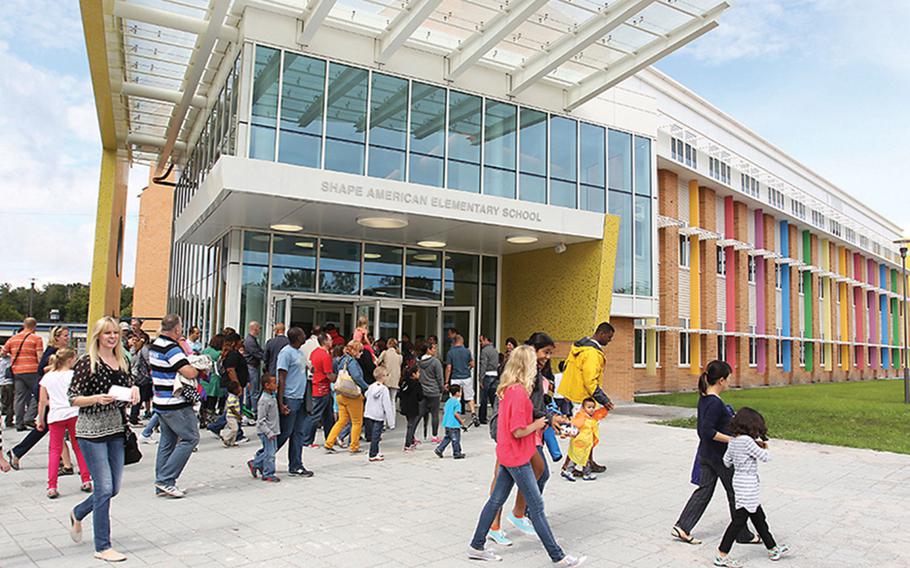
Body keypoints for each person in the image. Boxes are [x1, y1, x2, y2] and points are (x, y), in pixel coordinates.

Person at [467, 345, 585, 566]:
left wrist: (546, 421)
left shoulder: (508, 389)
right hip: (518, 456)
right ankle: (558, 556)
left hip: (507, 453)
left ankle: (476, 546)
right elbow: (518, 430)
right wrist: (539, 424)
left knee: (495, 500)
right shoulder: (520, 393)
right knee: (537, 507)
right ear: (526, 365)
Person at [68, 316, 140, 563]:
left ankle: (78, 512)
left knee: (114, 488)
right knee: (104, 488)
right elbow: (72, 397)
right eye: (107, 333)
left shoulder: (123, 360)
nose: (112, 337)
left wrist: (134, 393)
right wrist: (97, 398)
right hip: (91, 432)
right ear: (98, 335)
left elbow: (130, 386)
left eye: (115, 333)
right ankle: (103, 545)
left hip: (117, 430)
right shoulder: (87, 363)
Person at [672, 360, 757, 546]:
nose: (729, 382)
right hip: (719, 457)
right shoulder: (714, 403)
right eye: (728, 379)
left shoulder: (705, 399)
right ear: (720, 380)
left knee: (704, 491)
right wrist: (733, 440)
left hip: (706, 455)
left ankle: (683, 526)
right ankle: (743, 534)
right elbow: (706, 431)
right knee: (735, 492)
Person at [715, 408, 790, 567]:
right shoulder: (748, 442)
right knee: (738, 521)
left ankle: (772, 548)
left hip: (739, 481)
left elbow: (726, 461)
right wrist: (764, 445)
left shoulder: (734, 440)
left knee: (759, 517)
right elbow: (766, 457)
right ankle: (722, 554)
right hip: (748, 484)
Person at [7, 325, 76, 471]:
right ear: (56, 337)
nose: (67, 338)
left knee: (52, 426)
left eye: (67, 335)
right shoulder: (53, 351)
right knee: (46, 426)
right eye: (65, 335)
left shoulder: (59, 351)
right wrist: (60, 366)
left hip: (52, 392)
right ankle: (18, 452)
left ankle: (63, 461)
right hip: (47, 392)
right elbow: (41, 369)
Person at [149, 314, 200, 499]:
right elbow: (189, 371)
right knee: (191, 438)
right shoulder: (171, 347)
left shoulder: (156, 344)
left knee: (167, 442)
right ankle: (166, 480)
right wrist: (197, 367)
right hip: (175, 402)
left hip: (161, 400)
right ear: (177, 329)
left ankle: (161, 482)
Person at [558, 322, 616, 474]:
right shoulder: (591, 353)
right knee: (582, 433)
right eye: (609, 337)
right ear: (602, 333)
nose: (609, 341)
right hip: (584, 398)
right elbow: (590, 380)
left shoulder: (581, 348)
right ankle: (569, 466)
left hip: (577, 395)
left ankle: (587, 462)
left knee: (585, 431)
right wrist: (604, 400)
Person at [37, 348, 92, 498]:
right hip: (74, 413)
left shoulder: (48, 377)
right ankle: (86, 479)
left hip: (56, 415)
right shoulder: (73, 375)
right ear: (70, 360)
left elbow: (42, 401)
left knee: (55, 450)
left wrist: (40, 419)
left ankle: (52, 486)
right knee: (79, 447)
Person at [275, 327, 313, 477]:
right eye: (303, 334)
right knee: (285, 432)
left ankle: (296, 464)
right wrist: (281, 401)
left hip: (301, 397)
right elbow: (281, 378)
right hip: (290, 397)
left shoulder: (300, 353)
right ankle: (260, 459)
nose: (305, 336)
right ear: (297, 337)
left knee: (298, 433)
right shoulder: (286, 353)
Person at [324, 340, 368, 454]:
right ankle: (354, 446)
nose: (361, 353)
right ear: (355, 350)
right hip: (352, 395)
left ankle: (329, 442)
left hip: (340, 394)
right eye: (360, 351)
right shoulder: (352, 362)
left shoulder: (341, 360)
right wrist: (366, 387)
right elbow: (356, 376)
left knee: (342, 420)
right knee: (357, 422)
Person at [2, 317, 44, 430]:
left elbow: (3, 352)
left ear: (24, 325)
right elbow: (40, 357)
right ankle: (29, 417)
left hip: (17, 371)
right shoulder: (37, 339)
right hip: (33, 371)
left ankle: (19, 423)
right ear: (35, 326)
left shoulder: (13, 339)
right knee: (38, 394)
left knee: (19, 397)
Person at [561, 397, 608, 482]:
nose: (591, 409)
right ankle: (569, 470)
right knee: (576, 458)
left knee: (585, 459)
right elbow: (573, 427)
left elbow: (600, 414)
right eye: (589, 407)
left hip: (586, 442)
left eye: (593, 407)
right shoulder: (581, 418)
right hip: (580, 442)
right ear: (583, 408)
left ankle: (586, 473)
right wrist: (566, 433)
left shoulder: (591, 417)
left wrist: (606, 409)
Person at [302, 333, 336, 448]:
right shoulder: (325, 356)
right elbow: (328, 374)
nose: (332, 342)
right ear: (325, 341)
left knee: (328, 415)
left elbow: (311, 367)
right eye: (330, 339)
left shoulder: (315, 352)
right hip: (323, 387)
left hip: (317, 385)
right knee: (315, 415)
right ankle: (306, 439)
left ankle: (330, 437)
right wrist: (338, 379)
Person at [248, 373, 281, 482]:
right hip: (267, 431)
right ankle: (268, 473)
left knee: (271, 450)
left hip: (273, 429)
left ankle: (255, 463)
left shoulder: (272, 396)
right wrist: (269, 432)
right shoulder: (264, 401)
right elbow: (261, 420)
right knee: (270, 454)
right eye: (274, 383)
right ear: (267, 385)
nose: (276, 385)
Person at [363, 367, 395, 462]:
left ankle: (375, 451)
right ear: (383, 376)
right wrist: (391, 422)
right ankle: (373, 454)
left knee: (372, 434)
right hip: (378, 415)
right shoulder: (384, 390)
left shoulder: (371, 387)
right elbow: (387, 406)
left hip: (369, 414)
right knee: (376, 436)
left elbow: (366, 395)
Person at [445, 334, 477, 425]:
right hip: (466, 376)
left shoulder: (450, 352)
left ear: (454, 342)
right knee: (469, 396)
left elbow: (449, 367)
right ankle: (473, 413)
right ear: (461, 341)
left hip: (455, 377)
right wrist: (467, 368)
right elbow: (472, 364)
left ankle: (455, 415)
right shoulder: (467, 351)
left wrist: (446, 381)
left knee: (455, 398)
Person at [417, 342, 445, 442]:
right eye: (433, 349)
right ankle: (434, 436)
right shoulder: (435, 362)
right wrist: (441, 388)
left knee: (419, 413)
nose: (435, 350)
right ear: (428, 350)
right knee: (434, 414)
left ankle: (412, 434)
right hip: (434, 391)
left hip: (423, 390)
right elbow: (439, 377)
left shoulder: (419, 362)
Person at [434, 384, 466, 459]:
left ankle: (439, 449)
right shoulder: (457, 403)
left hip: (447, 423)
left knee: (447, 437)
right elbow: (456, 414)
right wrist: (461, 422)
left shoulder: (448, 401)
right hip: (453, 424)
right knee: (455, 439)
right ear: (457, 393)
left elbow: (444, 411)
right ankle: (457, 453)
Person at [128, 332, 152, 425]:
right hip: (143, 376)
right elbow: (148, 362)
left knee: (136, 398)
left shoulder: (133, 350)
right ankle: (134, 417)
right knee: (140, 397)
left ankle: (133, 416)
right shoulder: (144, 349)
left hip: (135, 375)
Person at [399, 365, 423, 451]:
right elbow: (420, 396)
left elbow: (400, 394)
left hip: (404, 406)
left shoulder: (403, 382)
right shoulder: (416, 384)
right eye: (418, 372)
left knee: (410, 423)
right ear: (413, 374)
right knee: (411, 426)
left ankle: (412, 441)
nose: (419, 374)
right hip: (413, 406)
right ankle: (408, 444)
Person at [243, 322, 265, 416]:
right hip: (251, 367)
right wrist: (266, 358)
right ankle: (255, 411)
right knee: (254, 390)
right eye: (259, 328)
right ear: (255, 328)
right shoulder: (250, 341)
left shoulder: (251, 340)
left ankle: (248, 409)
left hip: (251, 366)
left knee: (249, 390)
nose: (260, 330)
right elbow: (256, 353)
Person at [477, 334, 499, 425]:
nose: (480, 343)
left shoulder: (485, 351)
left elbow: (483, 365)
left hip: (487, 375)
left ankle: (482, 417)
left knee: (484, 398)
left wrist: (480, 378)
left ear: (486, 340)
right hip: (495, 374)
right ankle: (497, 416)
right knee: (493, 398)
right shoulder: (495, 350)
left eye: (481, 341)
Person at [377, 338, 402, 410]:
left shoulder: (385, 353)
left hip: (386, 378)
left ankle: (384, 420)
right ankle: (392, 419)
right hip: (395, 379)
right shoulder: (399, 356)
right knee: (392, 400)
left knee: (384, 399)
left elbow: (378, 362)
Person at [221, 381, 243, 447]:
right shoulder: (231, 398)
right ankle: (226, 438)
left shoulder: (235, 397)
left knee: (235, 430)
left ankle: (232, 442)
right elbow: (232, 408)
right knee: (235, 429)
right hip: (231, 416)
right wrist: (238, 415)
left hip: (234, 416)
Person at [0, 353, 12, 427]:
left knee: (3, 403)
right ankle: (8, 420)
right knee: (10, 403)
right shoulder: (10, 360)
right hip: (9, 383)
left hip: (1, 383)